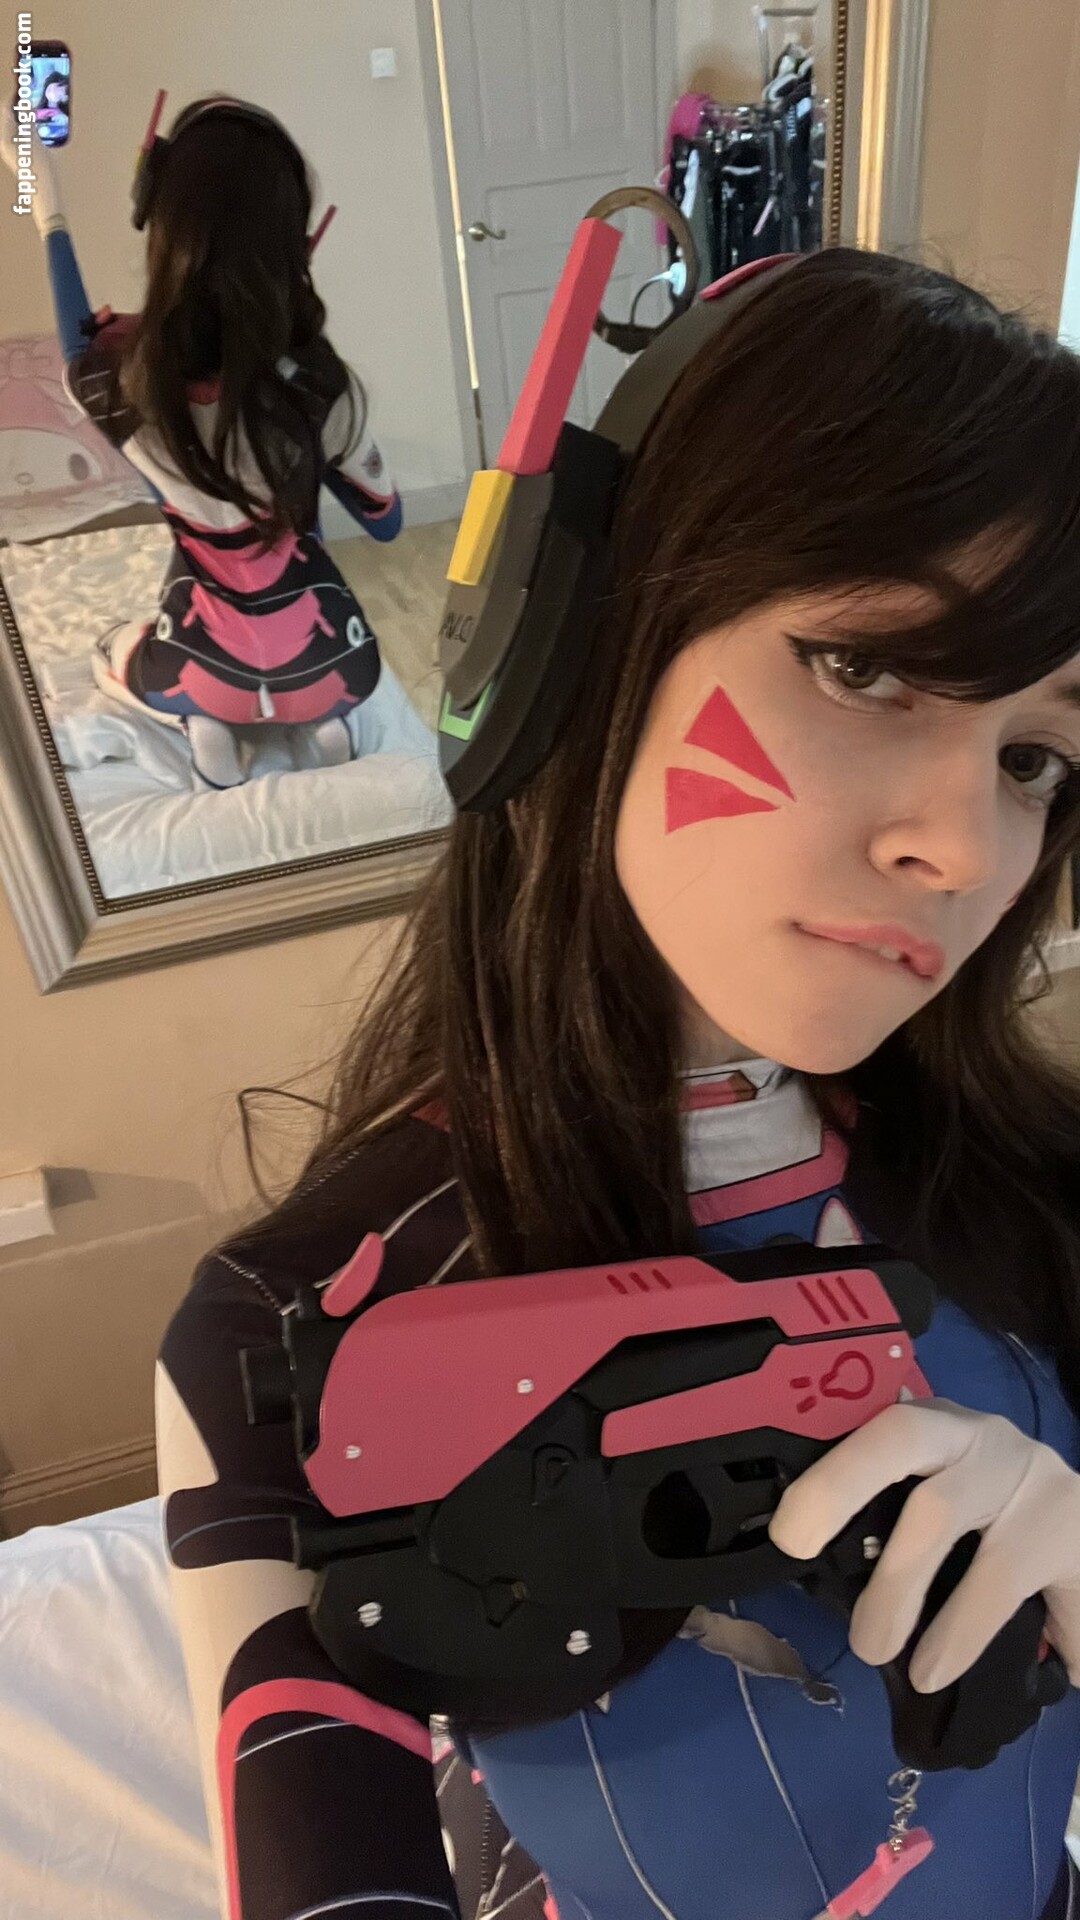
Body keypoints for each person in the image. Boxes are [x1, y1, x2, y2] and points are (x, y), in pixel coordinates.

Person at [154, 245, 1080, 1920]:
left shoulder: (1039, 1178)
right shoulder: (296, 1330)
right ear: (570, 642)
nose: (965, 848)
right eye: (864, 667)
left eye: (1032, 756)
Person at [1, 99, 401, 790]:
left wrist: (50, 215)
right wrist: (316, 455)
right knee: (300, 612)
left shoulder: (118, 385)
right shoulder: (326, 390)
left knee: (114, 648)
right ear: (295, 243)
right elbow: (387, 522)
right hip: (334, 669)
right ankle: (319, 725)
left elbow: (76, 343)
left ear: (160, 231)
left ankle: (203, 724)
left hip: (203, 668)